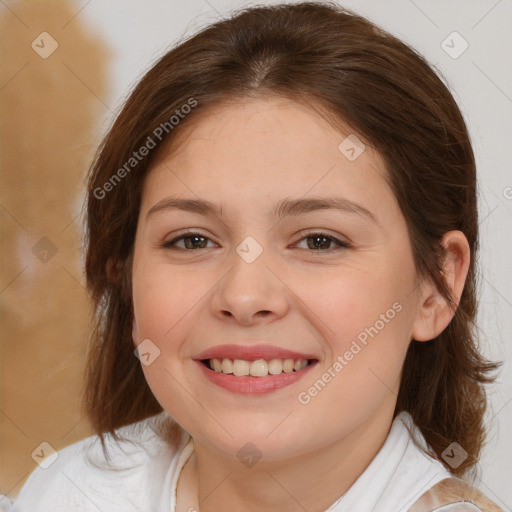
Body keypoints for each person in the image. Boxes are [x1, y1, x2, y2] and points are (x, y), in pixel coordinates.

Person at [12, 2, 504, 511]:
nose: (244, 297)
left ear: (435, 286)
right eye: (192, 240)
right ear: (126, 278)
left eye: (319, 241)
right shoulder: (65, 492)